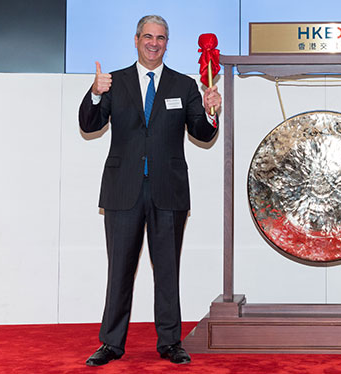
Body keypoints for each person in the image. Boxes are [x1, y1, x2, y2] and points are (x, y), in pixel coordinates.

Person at [78, 14, 220, 366]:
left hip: (168, 192)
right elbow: (89, 123)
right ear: (137, 39)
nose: (154, 43)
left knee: (168, 270)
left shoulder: (185, 86)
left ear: (167, 43)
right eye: (148, 37)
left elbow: (202, 134)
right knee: (120, 270)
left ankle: (170, 342)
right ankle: (111, 344)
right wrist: (95, 94)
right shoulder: (114, 82)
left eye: (161, 38)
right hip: (122, 191)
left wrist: (211, 111)